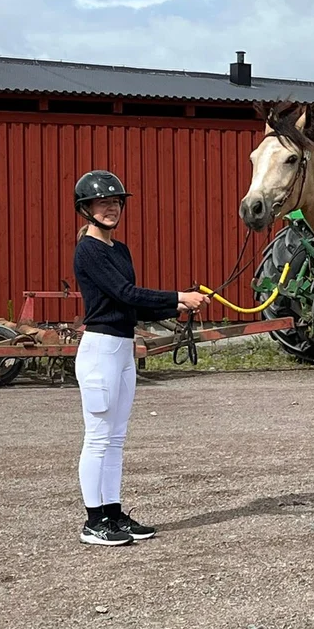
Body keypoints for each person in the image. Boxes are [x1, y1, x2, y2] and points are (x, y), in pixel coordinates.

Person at [71, 170, 209, 547]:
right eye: (103, 203)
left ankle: (113, 513)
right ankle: (93, 521)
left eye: (116, 202)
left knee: (115, 439)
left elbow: (129, 305)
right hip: (100, 350)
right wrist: (176, 295)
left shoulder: (120, 249)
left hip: (122, 349)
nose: (111, 208)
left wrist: (179, 306)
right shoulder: (88, 249)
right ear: (86, 209)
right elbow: (124, 292)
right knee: (98, 438)